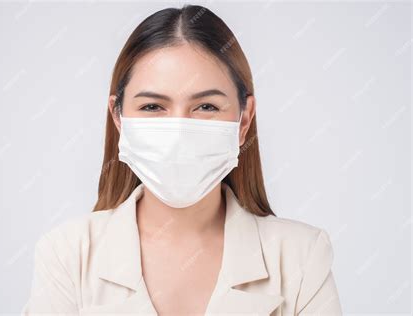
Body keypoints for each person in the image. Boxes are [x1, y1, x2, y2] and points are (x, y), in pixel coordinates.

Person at [22, 4, 342, 315]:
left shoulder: (301, 256)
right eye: (152, 107)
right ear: (119, 118)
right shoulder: (68, 253)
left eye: (206, 107)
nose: (178, 132)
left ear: (243, 121)